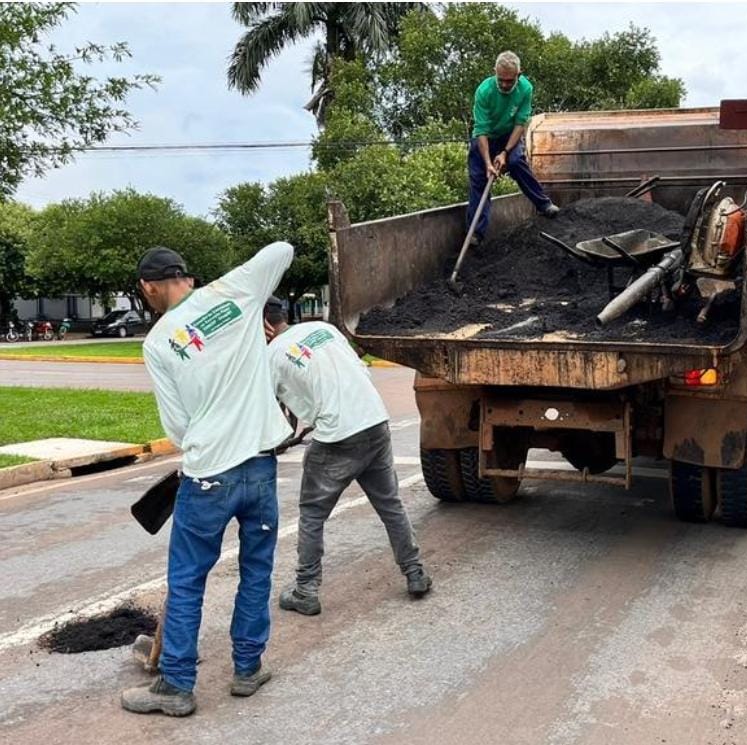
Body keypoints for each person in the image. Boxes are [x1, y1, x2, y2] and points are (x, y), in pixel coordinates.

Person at [121, 242, 294, 717]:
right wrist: (235, 288)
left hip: (208, 477)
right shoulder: (234, 292)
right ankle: (247, 668)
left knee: (188, 581)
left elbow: (177, 426)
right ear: (186, 276)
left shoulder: (158, 342)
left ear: (149, 288)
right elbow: (283, 249)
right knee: (256, 571)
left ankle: (176, 685)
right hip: (260, 468)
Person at [263, 297, 431, 616]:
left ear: (264, 325)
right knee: (390, 503)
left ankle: (306, 590)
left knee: (312, 514)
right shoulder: (321, 328)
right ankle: (415, 573)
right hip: (374, 421)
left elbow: (270, 418)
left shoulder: (270, 356)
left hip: (338, 436)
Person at [467, 50, 559, 246]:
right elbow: (481, 130)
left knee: (517, 162)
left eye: (510, 80)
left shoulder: (525, 89)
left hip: (509, 136)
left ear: (519, 74)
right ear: (495, 72)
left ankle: (544, 204)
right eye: (501, 80)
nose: (505, 85)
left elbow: (520, 123)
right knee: (479, 180)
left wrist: (505, 153)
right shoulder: (484, 91)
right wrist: (488, 163)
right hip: (484, 139)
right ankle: (476, 234)